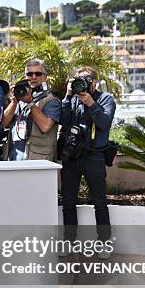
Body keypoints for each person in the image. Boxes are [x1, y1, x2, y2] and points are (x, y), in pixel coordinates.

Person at [60, 66, 115, 253]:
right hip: (72, 156)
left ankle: (104, 242)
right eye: (78, 80)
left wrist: (91, 103)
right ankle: (69, 241)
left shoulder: (106, 99)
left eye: (86, 80)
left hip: (94, 155)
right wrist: (67, 97)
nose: (82, 84)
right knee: (68, 201)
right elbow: (64, 121)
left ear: (95, 82)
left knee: (99, 201)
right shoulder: (73, 98)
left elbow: (104, 124)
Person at [2, 58, 61, 162]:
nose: (34, 77)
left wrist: (30, 103)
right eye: (29, 74)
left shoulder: (51, 101)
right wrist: (14, 102)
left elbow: (45, 126)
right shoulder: (19, 99)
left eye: (38, 74)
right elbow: (3, 123)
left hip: (38, 160)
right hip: (15, 157)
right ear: (25, 76)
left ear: (45, 77)